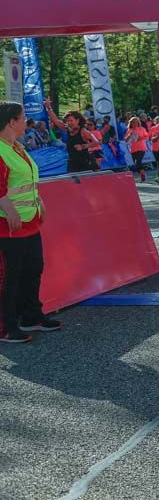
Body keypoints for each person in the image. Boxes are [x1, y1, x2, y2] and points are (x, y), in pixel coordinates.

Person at [0, 101, 60, 344]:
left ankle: (31, 316)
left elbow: (27, 180)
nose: (26, 121)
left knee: (33, 269)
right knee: (10, 277)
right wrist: (7, 208)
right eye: (23, 118)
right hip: (9, 227)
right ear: (12, 121)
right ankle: (6, 326)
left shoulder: (17, 147)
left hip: (30, 222)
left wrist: (40, 202)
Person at [44, 101, 98, 173]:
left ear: (77, 120)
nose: (69, 123)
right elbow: (55, 120)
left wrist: (83, 146)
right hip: (72, 163)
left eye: (71, 121)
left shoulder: (83, 131)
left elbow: (96, 142)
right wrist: (48, 107)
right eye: (67, 121)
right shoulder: (67, 129)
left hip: (85, 163)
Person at [124, 117, 150, 182]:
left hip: (141, 148)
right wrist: (129, 136)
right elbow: (126, 140)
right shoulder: (129, 130)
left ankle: (143, 174)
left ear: (138, 122)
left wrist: (139, 138)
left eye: (136, 122)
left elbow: (147, 136)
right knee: (136, 164)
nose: (135, 123)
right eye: (133, 122)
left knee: (138, 161)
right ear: (131, 123)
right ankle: (141, 174)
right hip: (133, 149)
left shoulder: (142, 129)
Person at [149, 116, 159, 183]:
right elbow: (151, 139)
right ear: (154, 121)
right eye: (156, 120)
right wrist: (157, 136)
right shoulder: (152, 128)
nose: (158, 121)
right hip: (156, 148)